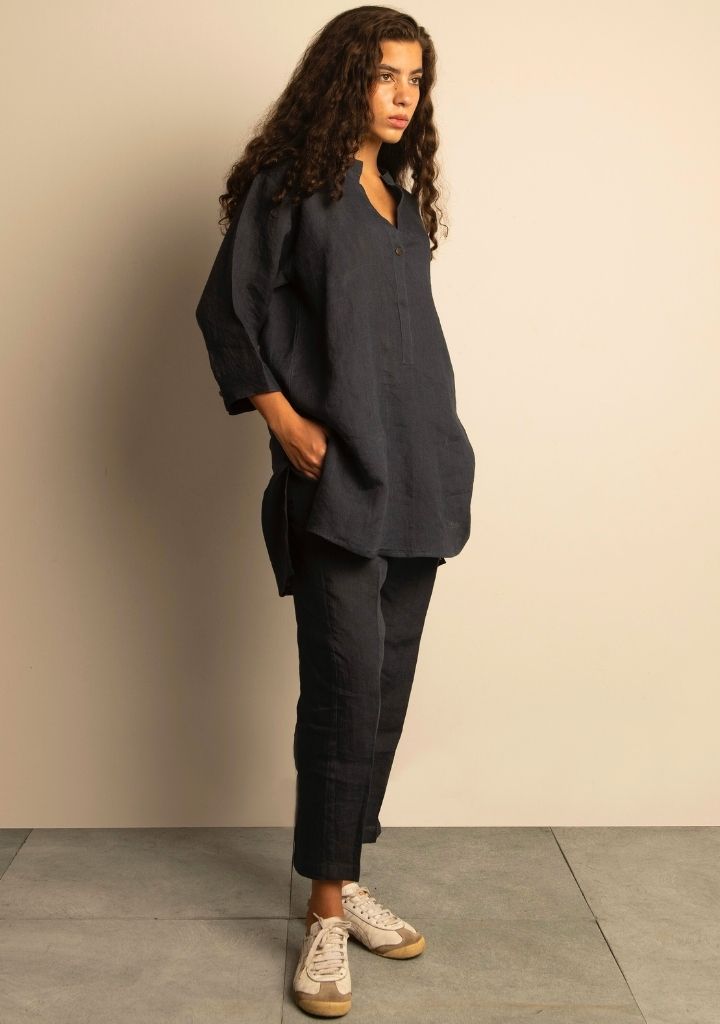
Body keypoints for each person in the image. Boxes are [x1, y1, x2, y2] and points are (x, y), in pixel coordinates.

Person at [195, 7, 475, 1017]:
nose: (404, 94)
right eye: (385, 74)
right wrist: (284, 421)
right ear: (343, 78)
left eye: (416, 78)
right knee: (344, 692)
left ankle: (344, 874)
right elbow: (225, 310)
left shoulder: (400, 202)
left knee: (385, 690)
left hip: (421, 479)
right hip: (338, 483)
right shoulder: (292, 189)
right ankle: (322, 912)